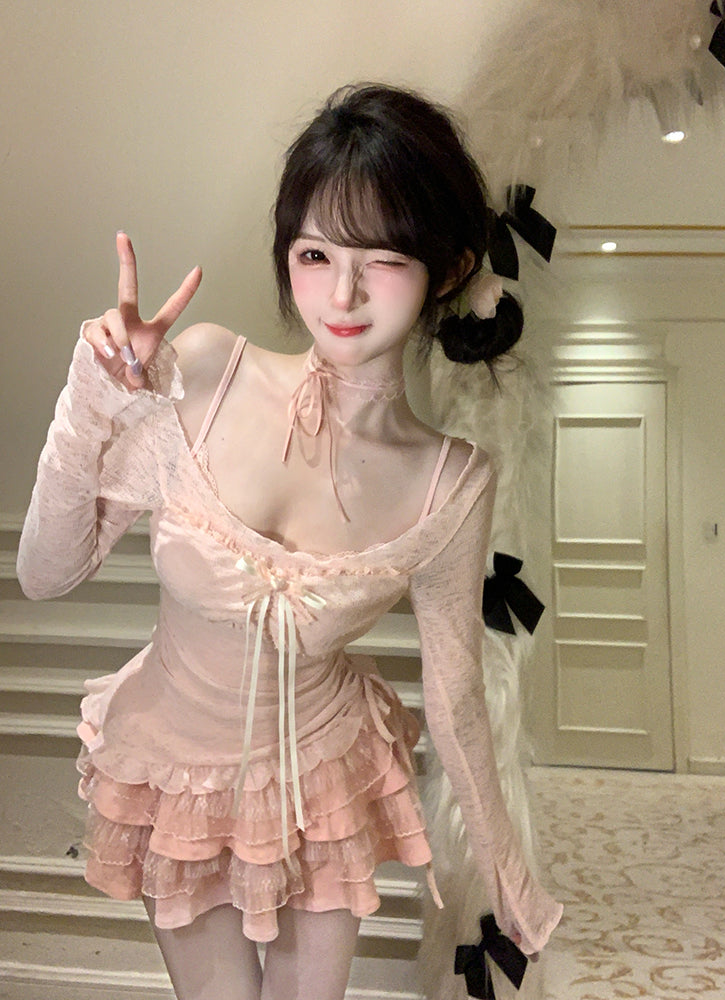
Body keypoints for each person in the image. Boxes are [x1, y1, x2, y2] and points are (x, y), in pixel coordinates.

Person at [17, 84, 562, 1000]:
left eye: (384, 259)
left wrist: (507, 874)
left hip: (322, 783)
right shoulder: (204, 371)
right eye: (315, 255)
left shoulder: (451, 481)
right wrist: (93, 397)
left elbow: (457, 693)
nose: (342, 294)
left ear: (449, 268)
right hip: (173, 775)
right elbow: (44, 573)